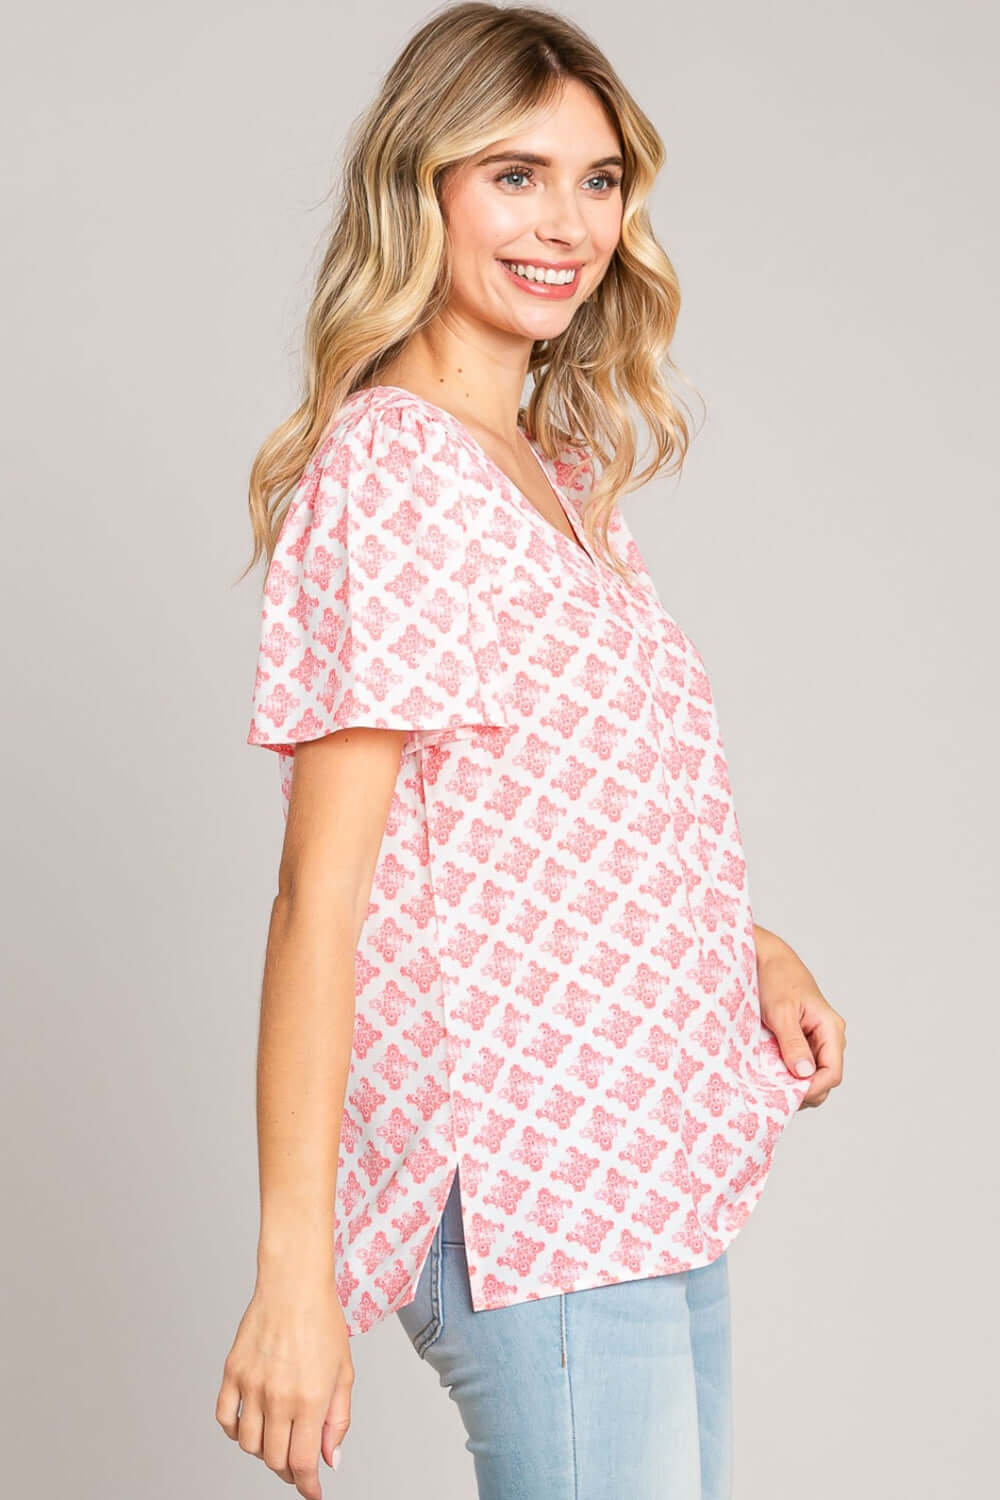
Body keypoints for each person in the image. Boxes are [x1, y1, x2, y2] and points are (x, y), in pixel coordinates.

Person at [215, 6, 847, 1498]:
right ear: (420, 186)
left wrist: (741, 946)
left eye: (599, 179)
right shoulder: (396, 471)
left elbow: (550, 816)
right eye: (514, 175)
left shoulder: (554, 479)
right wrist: (294, 1276)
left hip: (640, 1166)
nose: (567, 224)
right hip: (531, 1186)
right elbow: (323, 894)